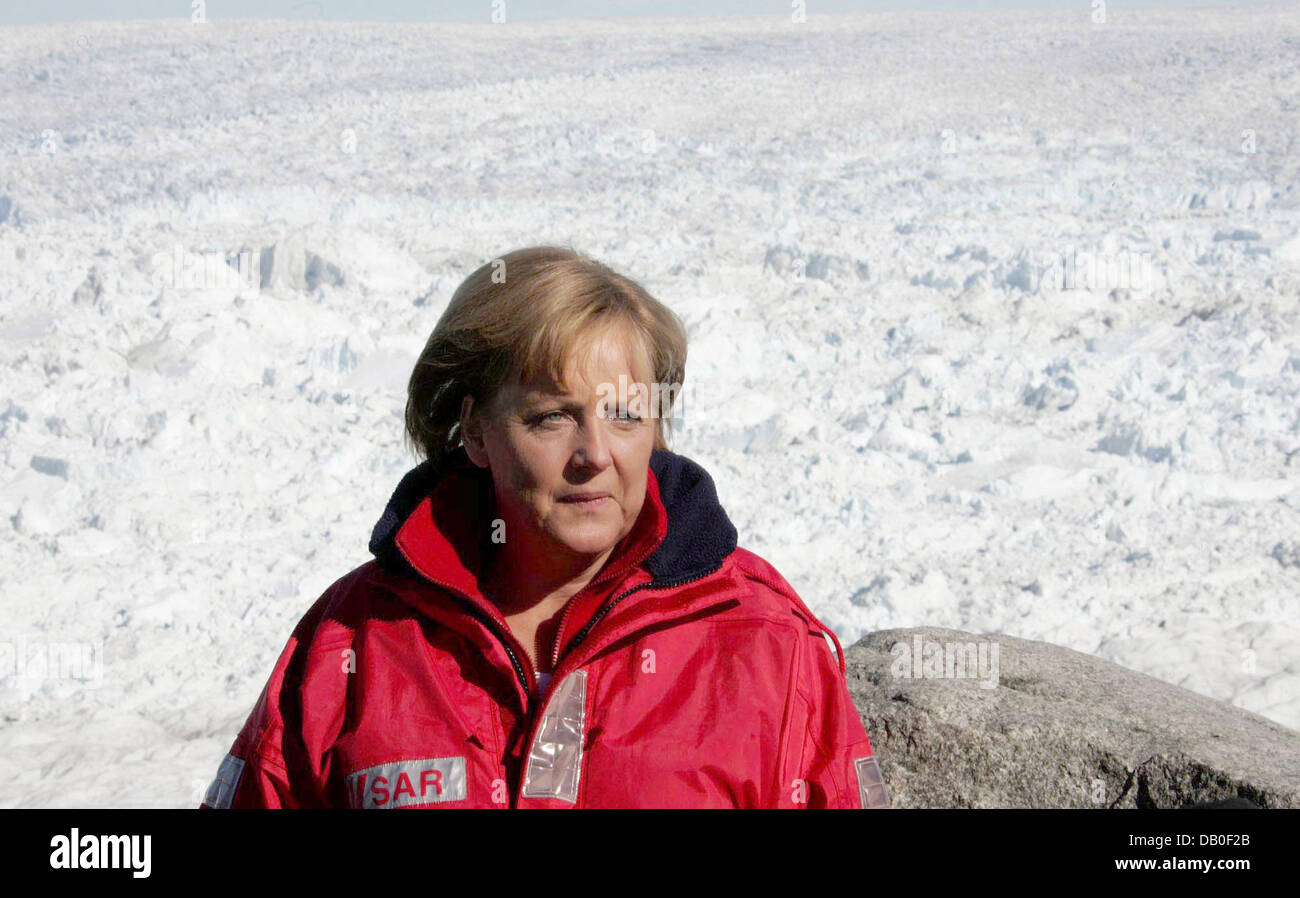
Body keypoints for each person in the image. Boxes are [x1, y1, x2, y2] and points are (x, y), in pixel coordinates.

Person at [199, 245, 888, 809]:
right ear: (474, 430)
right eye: (552, 416)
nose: (595, 455)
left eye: (624, 416)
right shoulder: (356, 642)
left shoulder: (763, 643)